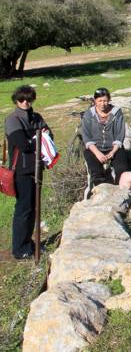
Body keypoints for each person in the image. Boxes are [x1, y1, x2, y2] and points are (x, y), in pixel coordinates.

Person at [4, 85, 51, 259]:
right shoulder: (12, 119)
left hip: (37, 167)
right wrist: (38, 139)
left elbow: (49, 136)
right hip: (22, 171)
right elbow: (23, 144)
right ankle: (19, 248)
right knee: (24, 208)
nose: (26, 102)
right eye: (22, 99)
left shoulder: (36, 117)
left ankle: (28, 242)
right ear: (16, 101)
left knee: (34, 207)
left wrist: (38, 139)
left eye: (29, 99)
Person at [80, 88, 127, 188]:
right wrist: (98, 153)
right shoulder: (89, 114)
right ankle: (102, 190)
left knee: (122, 169)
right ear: (95, 101)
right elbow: (86, 137)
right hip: (95, 148)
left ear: (109, 100)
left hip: (114, 147)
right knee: (95, 172)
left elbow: (120, 134)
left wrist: (113, 152)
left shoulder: (116, 112)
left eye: (105, 100)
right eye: (99, 101)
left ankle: (119, 189)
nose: (103, 104)